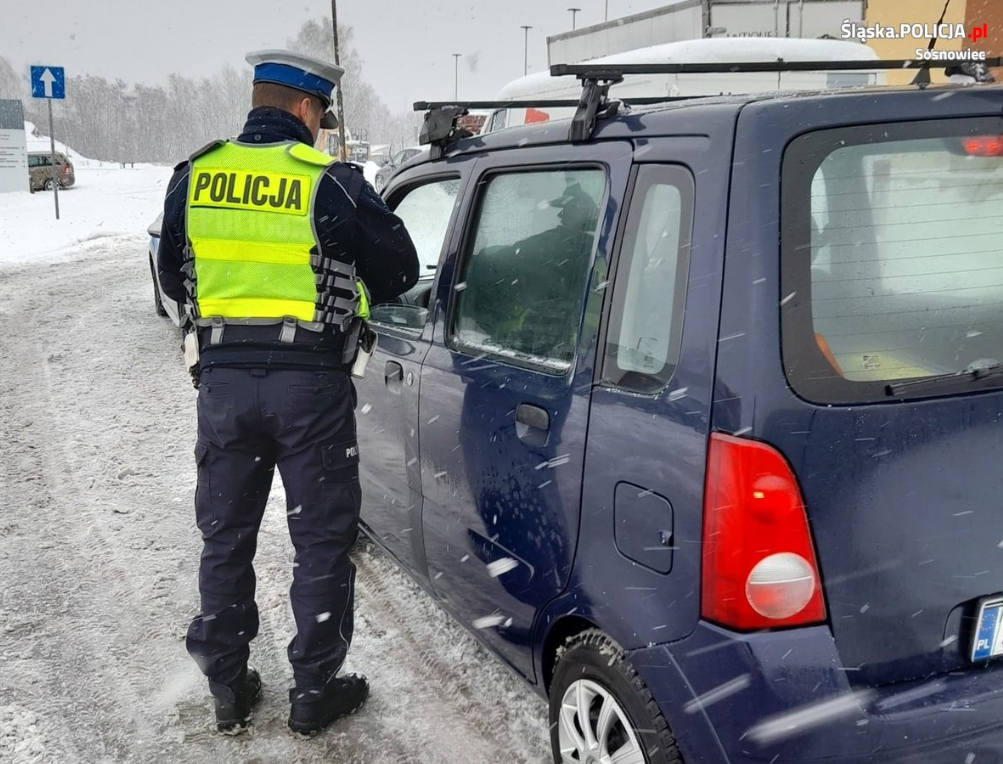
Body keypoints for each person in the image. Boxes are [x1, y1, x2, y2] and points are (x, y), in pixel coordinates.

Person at [157, 49, 419, 737]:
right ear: (307, 111)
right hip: (311, 387)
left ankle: (226, 687)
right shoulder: (329, 182)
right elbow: (398, 272)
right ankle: (312, 691)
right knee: (322, 540)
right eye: (322, 117)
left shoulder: (196, 175)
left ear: (257, 102)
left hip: (221, 383)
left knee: (225, 536)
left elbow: (172, 276)